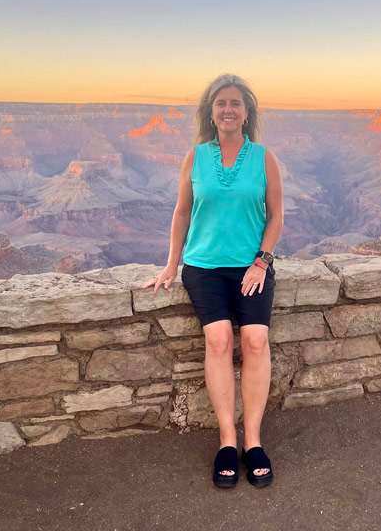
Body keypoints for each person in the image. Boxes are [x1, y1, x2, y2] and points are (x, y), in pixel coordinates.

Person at [143, 74, 283, 488]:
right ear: (210, 112)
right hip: (204, 267)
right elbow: (182, 211)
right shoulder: (196, 157)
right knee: (219, 340)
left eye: (235, 103)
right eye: (221, 103)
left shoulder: (265, 158)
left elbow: (276, 216)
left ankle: (252, 441)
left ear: (247, 112)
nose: (228, 109)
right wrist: (171, 264)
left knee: (255, 341)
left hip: (251, 267)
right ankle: (226, 441)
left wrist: (261, 262)